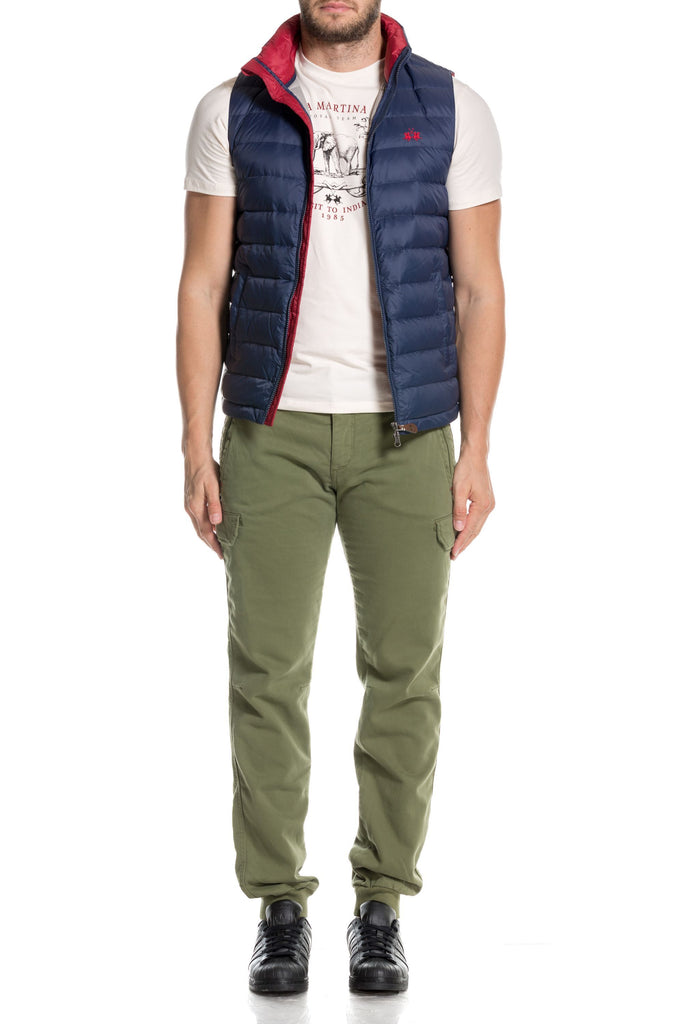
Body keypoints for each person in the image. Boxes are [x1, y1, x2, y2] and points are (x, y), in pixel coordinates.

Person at [177, 0, 505, 996]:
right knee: (265, 675)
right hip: (268, 430)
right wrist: (194, 442)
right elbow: (201, 283)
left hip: (407, 434)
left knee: (403, 674)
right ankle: (279, 907)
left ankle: (380, 905)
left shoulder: (451, 108)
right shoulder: (232, 107)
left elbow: (479, 288)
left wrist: (477, 448)